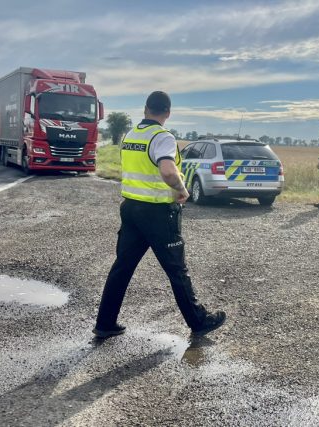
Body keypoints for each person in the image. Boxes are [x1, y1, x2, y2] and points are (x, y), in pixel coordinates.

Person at [93, 91, 226, 339]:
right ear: (167, 113)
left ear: (145, 109)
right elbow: (167, 171)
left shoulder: (131, 135)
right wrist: (182, 189)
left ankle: (105, 322)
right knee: (177, 270)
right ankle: (198, 322)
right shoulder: (163, 137)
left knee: (121, 267)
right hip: (157, 212)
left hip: (131, 208)